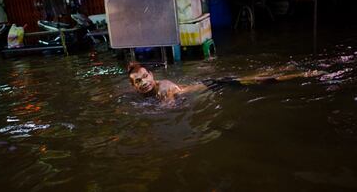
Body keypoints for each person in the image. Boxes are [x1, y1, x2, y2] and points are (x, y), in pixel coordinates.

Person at [127, 62, 324, 104]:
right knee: (257, 78)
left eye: (145, 77)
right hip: (208, 84)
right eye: (138, 81)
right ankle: (289, 69)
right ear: (134, 86)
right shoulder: (145, 91)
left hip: (213, 85)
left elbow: (169, 107)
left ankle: (304, 75)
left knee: (260, 81)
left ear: (152, 75)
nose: (144, 83)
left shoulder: (163, 86)